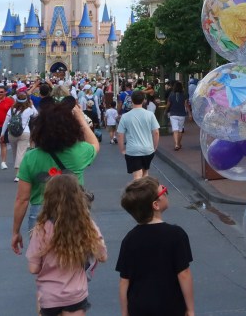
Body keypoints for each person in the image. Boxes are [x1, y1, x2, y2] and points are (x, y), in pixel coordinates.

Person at [12, 99, 100, 255]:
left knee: (43, 262)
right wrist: (80, 118)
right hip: (74, 211)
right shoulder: (78, 152)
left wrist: (15, 231)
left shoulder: (31, 158)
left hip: (40, 213)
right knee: (75, 258)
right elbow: (95, 144)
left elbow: (22, 199)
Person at [26, 174, 107, 316]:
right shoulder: (87, 226)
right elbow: (102, 256)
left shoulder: (41, 229)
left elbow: (33, 268)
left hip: (49, 295)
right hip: (75, 294)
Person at [117, 177, 195, 316]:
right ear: (156, 205)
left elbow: (124, 280)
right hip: (170, 305)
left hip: (139, 307)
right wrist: (190, 309)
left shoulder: (129, 239)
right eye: (163, 191)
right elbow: (184, 274)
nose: (165, 192)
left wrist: (124, 312)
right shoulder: (176, 235)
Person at [117, 90, 159, 180]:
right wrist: (154, 147)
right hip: (148, 149)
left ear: (131, 100)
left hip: (133, 150)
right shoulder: (150, 114)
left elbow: (120, 135)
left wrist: (122, 149)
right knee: (145, 173)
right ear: (144, 100)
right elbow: (156, 132)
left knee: (137, 176)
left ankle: (139, 193)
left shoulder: (125, 116)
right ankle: (146, 192)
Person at [1, 88, 39, 182]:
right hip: (24, 133)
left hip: (12, 134)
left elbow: (6, 122)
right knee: (21, 153)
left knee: (15, 153)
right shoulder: (29, 109)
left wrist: (2, 134)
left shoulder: (12, 109)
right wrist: (32, 105)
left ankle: (17, 172)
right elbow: (36, 114)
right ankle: (18, 174)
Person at [166, 81, 190, 151]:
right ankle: (178, 143)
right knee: (180, 130)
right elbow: (186, 105)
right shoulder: (184, 95)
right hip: (182, 114)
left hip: (173, 114)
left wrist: (166, 110)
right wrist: (190, 113)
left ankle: (176, 144)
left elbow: (168, 104)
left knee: (175, 130)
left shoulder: (171, 94)